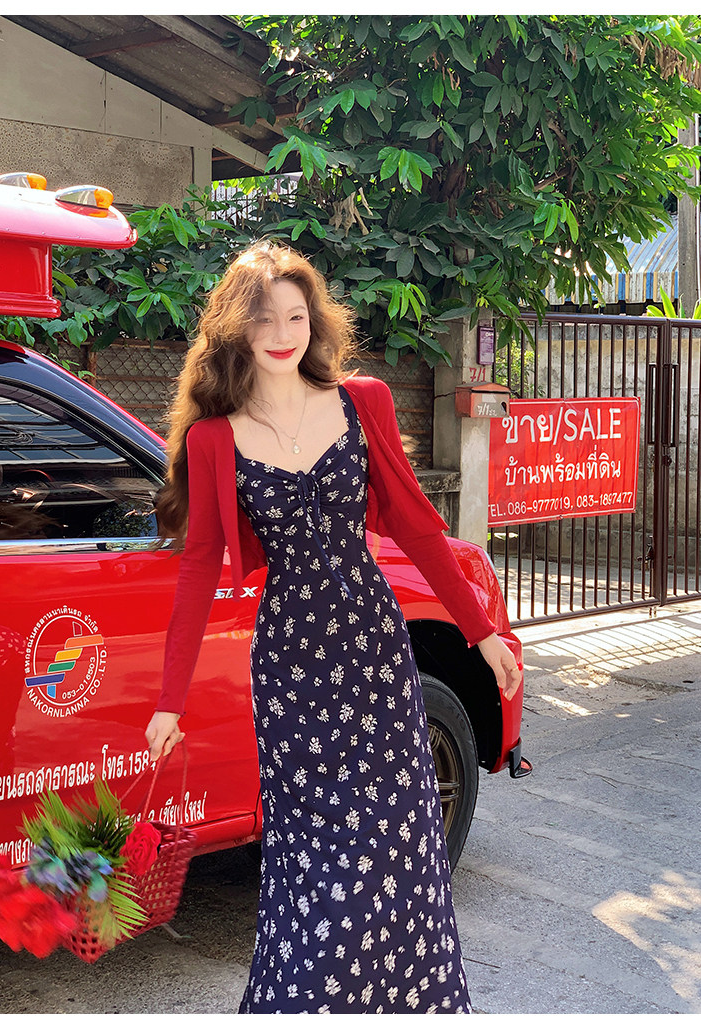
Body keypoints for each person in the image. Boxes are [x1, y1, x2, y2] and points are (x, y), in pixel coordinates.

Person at [145, 241, 522, 1014]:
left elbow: (417, 526)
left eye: (296, 316)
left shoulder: (363, 403)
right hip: (292, 671)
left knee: (400, 846)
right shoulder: (215, 439)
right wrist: (168, 702)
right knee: (318, 865)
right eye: (264, 320)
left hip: (376, 655)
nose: (283, 334)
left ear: (313, 322)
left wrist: (482, 633)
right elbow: (198, 567)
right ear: (236, 329)